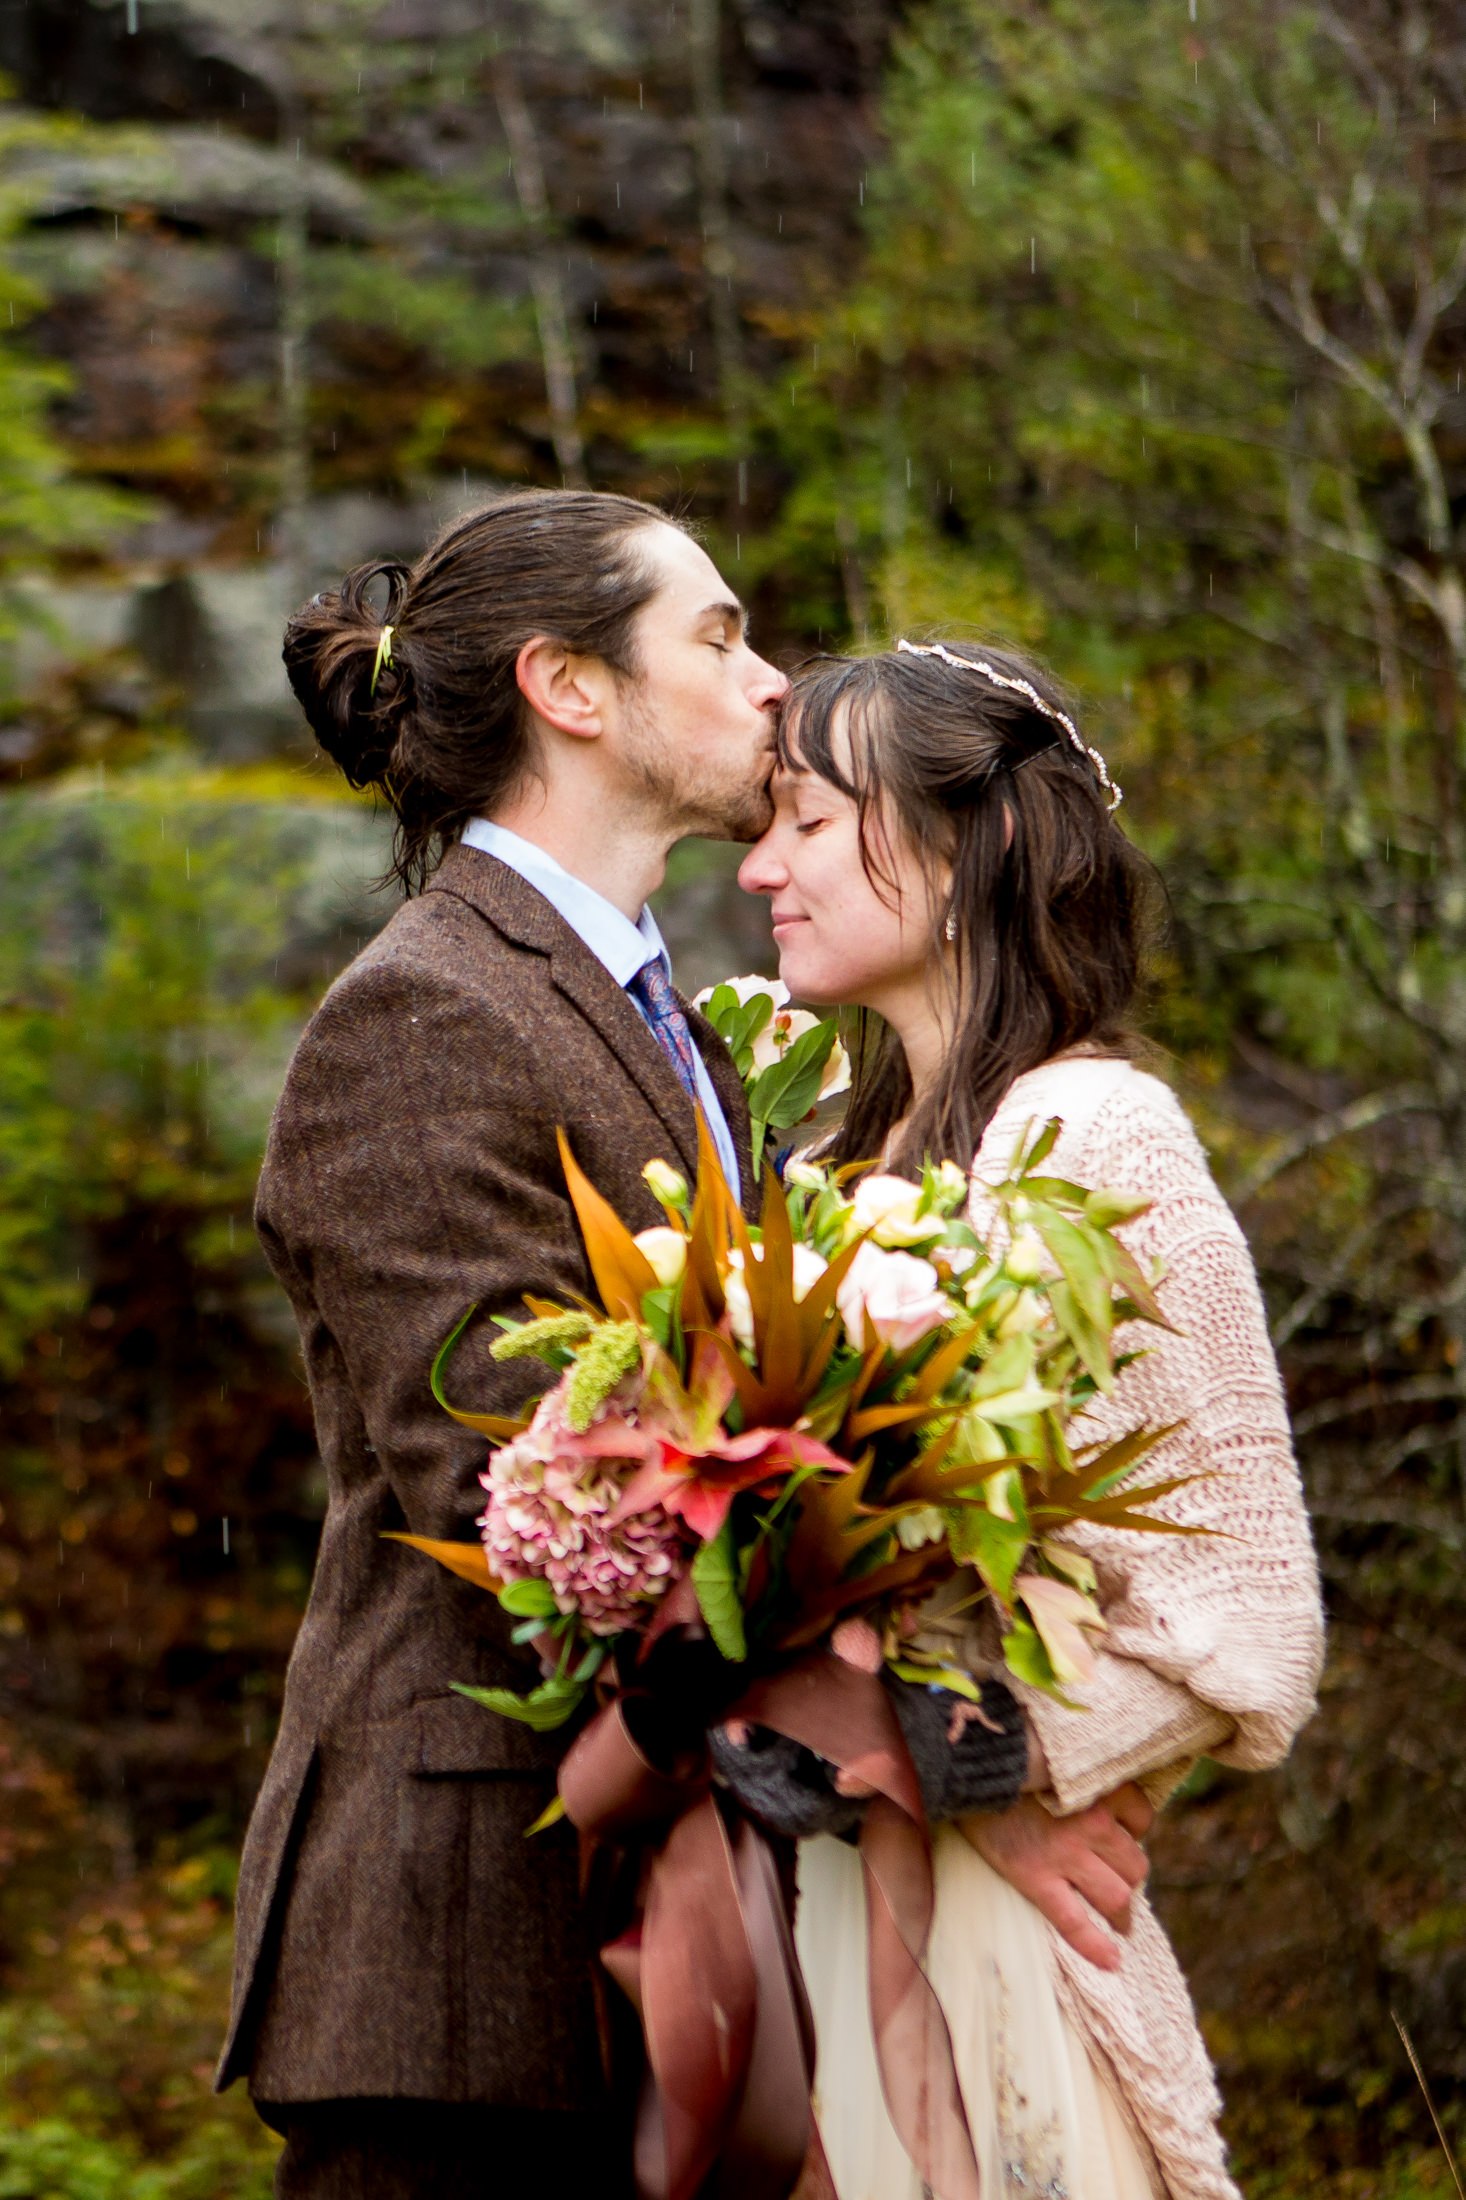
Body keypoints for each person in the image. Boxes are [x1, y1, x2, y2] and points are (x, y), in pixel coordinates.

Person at [216, 487, 1184, 2200]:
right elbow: (543, 1491)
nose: (769, 682)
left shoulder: (669, 1021)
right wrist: (955, 1780)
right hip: (469, 1964)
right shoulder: (424, 1014)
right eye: (719, 637)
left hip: (674, 1933)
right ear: (570, 689)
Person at [734, 639, 1325, 2200]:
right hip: (810, 1907)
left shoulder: (1095, 1134)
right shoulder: (831, 1165)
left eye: (805, 821)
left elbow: (1246, 1606)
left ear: (965, 848)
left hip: (992, 1950)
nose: (756, 868)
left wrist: (968, 1766)